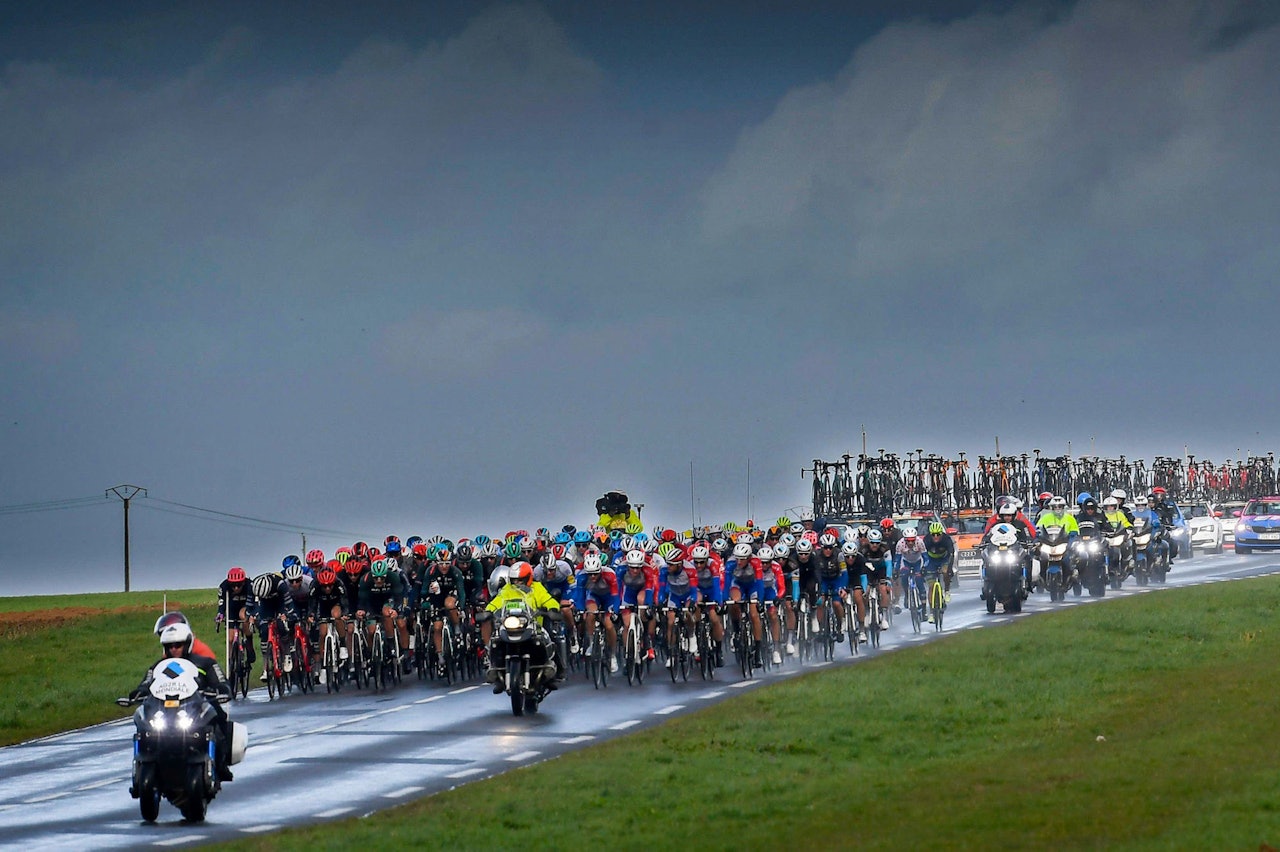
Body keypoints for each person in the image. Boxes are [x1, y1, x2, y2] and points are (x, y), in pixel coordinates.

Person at [128, 622, 234, 782]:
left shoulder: (205, 663)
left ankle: (220, 763)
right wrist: (139, 693)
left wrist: (222, 689)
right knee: (142, 721)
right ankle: (143, 763)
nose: (174, 649)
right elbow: (146, 683)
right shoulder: (158, 666)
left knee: (219, 717)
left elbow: (221, 680)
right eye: (169, 646)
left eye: (178, 645)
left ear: (187, 644)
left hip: (196, 706)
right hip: (164, 709)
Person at [480, 562, 564, 692]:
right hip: (509, 624)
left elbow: (547, 599)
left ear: (528, 578)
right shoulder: (507, 589)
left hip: (533, 624)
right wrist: (489, 611)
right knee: (496, 641)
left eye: (520, 580)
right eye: (514, 580)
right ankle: (496, 673)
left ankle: (555, 672)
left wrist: (553, 608)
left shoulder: (537, 588)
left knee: (550, 638)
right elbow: (497, 601)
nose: (517, 583)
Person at [215, 568, 256, 666]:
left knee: (243, 615)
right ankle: (230, 661)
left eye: (239, 585)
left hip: (246, 606)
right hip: (232, 609)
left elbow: (255, 602)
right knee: (230, 639)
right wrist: (220, 614)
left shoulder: (250, 585)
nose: (236, 588)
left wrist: (252, 615)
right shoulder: (224, 586)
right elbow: (222, 603)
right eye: (233, 585)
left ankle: (249, 644)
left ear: (243, 582)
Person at [922, 521, 955, 597]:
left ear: (942, 534)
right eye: (933, 534)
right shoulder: (926, 540)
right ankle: (932, 607)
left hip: (944, 558)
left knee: (945, 572)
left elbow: (951, 554)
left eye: (938, 534)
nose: (936, 536)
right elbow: (922, 554)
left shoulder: (946, 539)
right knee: (931, 586)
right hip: (930, 560)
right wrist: (923, 567)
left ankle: (947, 590)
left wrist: (950, 568)